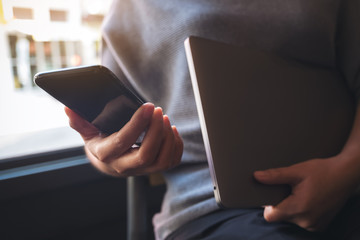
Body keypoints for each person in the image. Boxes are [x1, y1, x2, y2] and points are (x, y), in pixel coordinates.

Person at [65, 0, 360, 239]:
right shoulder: (127, 13)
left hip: (346, 176)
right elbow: (109, 140)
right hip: (209, 208)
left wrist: (347, 169)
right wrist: (109, 155)